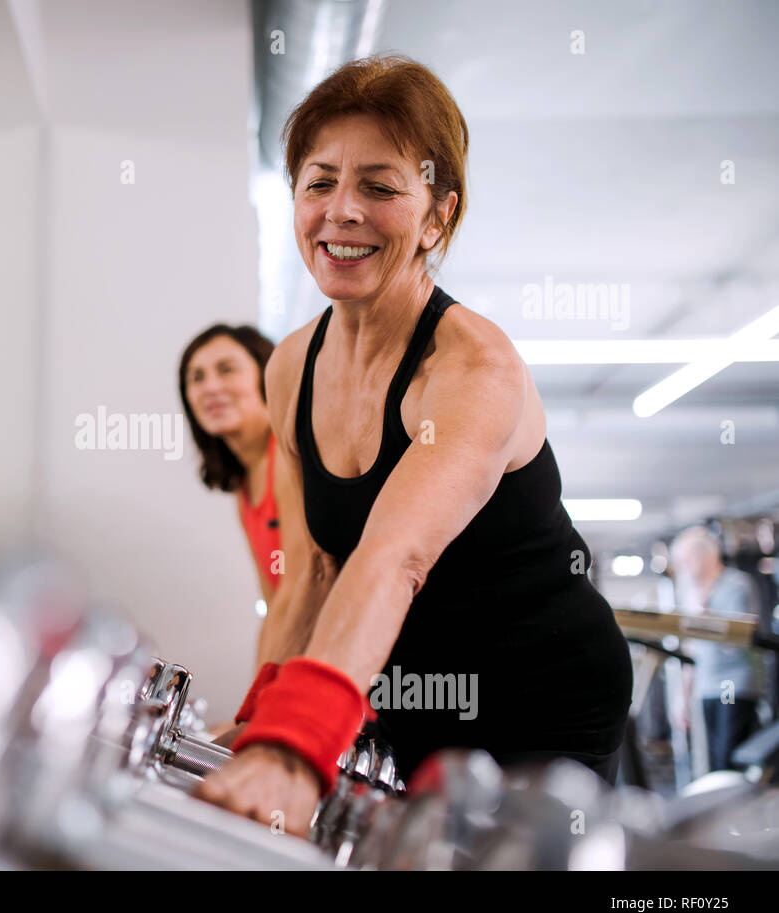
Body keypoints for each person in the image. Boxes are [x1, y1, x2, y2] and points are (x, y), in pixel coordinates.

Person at [196, 55, 632, 835]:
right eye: (320, 182)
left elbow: (393, 557)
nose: (342, 211)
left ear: (437, 216)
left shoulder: (473, 366)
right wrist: (262, 724)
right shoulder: (292, 366)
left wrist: (298, 746)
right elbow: (311, 573)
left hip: (543, 695)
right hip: (412, 690)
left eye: (380, 186)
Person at [179, 324, 283, 607]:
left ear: (266, 375)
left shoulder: (289, 456)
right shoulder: (244, 484)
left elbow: (300, 596)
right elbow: (274, 604)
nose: (210, 387)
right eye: (197, 377)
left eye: (227, 369)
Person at [670, 525, 770, 772]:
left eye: (686, 561)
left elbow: (734, 643)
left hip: (731, 683)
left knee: (729, 752)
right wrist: (683, 698)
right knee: (715, 757)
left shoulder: (735, 585)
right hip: (708, 685)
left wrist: (704, 614)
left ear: (703, 557)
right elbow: (692, 649)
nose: (683, 569)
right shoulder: (692, 593)